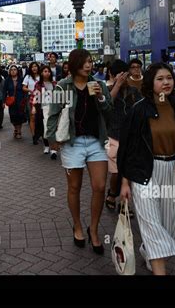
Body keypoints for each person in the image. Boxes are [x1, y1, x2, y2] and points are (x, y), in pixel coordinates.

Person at [118, 62, 175, 275]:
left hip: (172, 171)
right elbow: (128, 149)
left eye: (169, 78)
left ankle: (148, 250)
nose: (166, 82)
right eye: (160, 79)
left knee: (169, 227)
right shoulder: (139, 110)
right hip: (144, 172)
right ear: (150, 82)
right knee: (152, 225)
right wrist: (125, 182)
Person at [46, 49, 112, 255]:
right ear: (74, 64)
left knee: (99, 186)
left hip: (96, 142)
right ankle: (77, 225)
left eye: (90, 62)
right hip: (72, 143)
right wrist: (51, 140)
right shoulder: (63, 86)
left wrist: (101, 98)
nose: (88, 65)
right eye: (84, 62)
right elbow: (53, 114)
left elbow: (109, 111)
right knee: (74, 187)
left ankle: (94, 229)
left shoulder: (98, 85)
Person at [105, 60, 141, 212]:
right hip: (113, 136)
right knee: (116, 172)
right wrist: (117, 85)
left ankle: (124, 203)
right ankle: (112, 194)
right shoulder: (105, 90)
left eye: (125, 75)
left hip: (131, 138)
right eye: (119, 75)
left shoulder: (133, 92)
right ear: (111, 75)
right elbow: (105, 106)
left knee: (128, 172)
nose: (123, 78)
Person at [31, 65, 57, 158]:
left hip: (53, 109)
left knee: (53, 128)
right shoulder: (38, 84)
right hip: (42, 109)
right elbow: (34, 96)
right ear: (42, 73)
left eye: (48, 71)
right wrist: (33, 107)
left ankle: (54, 150)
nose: (47, 73)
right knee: (43, 128)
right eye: (45, 71)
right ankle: (46, 145)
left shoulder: (54, 84)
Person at [4, 65, 27, 139]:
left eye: (15, 69)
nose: (13, 71)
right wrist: (3, 101)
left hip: (20, 100)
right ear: (10, 71)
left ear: (17, 71)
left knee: (20, 116)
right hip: (11, 101)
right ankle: (15, 128)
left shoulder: (21, 79)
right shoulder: (7, 80)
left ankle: (19, 131)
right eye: (12, 70)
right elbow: (4, 91)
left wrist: (25, 99)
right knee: (13, 116)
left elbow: (24, 90)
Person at [23, 62, 40, 144]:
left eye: (35, 66)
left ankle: (39, 133)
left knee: (40, 117)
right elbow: (23, 87)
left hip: (41, 99)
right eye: (32, 67)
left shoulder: (41, 76)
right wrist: (30, 90)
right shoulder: (28, 77)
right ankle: (34, 136)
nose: (34, 68)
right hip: (31, 98)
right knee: (32, 117)